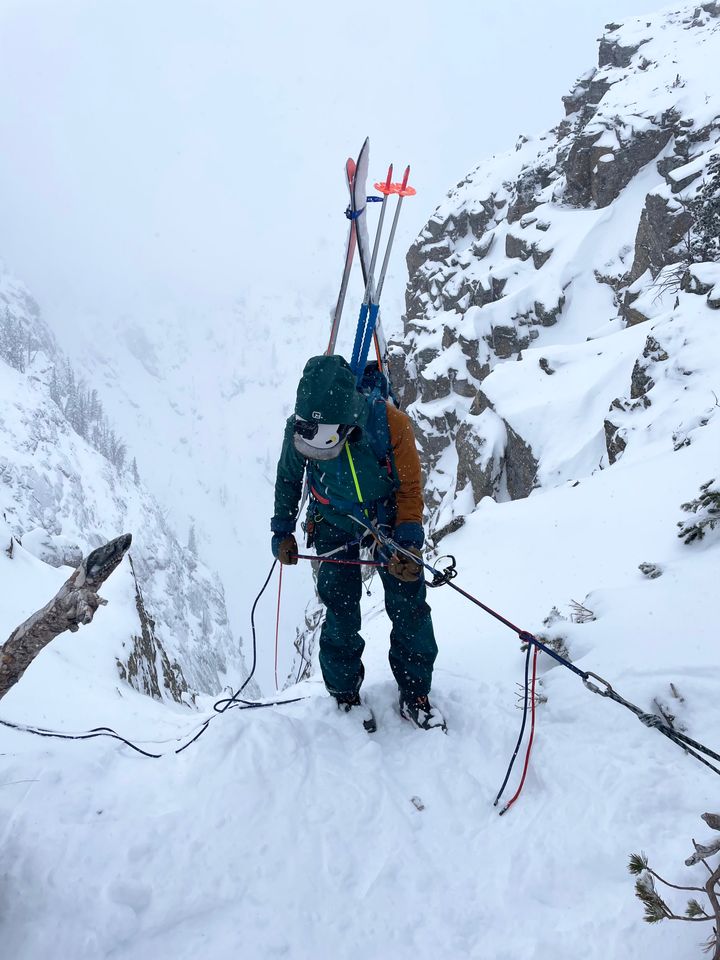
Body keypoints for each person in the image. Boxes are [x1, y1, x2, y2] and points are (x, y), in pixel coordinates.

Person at [270, 354, 445, 731]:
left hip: (385, 515)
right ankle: (344, 695)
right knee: (340, 609)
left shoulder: (391, 424)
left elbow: (410, 487)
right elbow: (289, 477)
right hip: (332, 516)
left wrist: (409, 542)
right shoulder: (299, 428)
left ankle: (416, 694)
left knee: (408, 605)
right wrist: (282, 529)